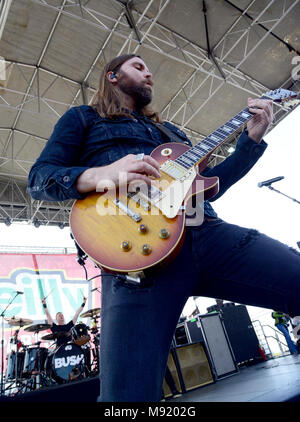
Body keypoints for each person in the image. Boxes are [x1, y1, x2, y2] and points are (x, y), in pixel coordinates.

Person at [28, 54, 300, 402]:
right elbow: (40, 178)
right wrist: (102, 174)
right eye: (138, 67)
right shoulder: (84, 118)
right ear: (112, 76)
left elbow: (214, 184)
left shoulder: (172, 135)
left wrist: (251, 141)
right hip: (137, 258)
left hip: (208, 234)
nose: (149, 73)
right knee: (126, 397)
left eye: (149, 69)